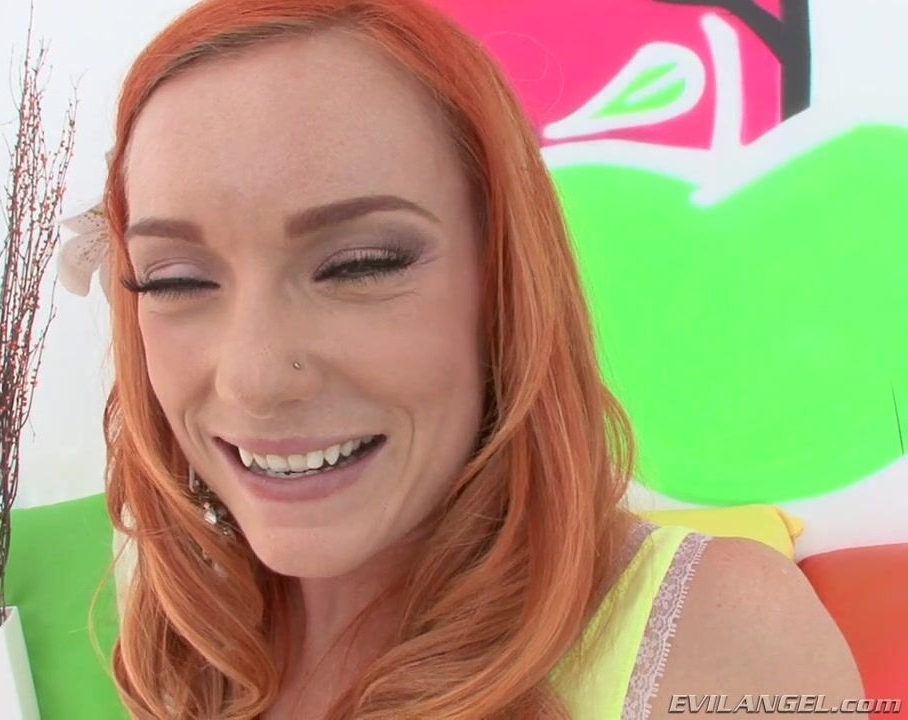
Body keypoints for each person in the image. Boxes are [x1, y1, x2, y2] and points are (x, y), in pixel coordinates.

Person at [97, 0, 866, 717]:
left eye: (360, 265)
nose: (254, 378)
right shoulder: (186, 640)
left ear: (501, 278)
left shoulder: (718, 635)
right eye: (176, 280)